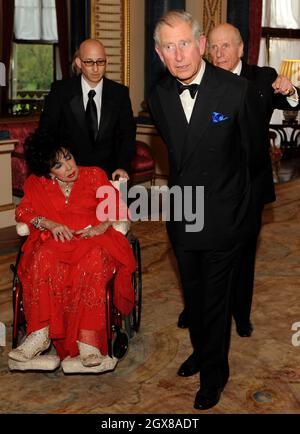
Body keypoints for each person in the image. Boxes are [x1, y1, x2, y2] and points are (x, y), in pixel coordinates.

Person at [148, 10, 270, 410]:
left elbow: (253, 161)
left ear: (201, 45)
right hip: (184, 213)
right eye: (169, 47)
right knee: (195, 298)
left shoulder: (236, 91)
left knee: (217, 301)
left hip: (224, 216)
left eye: (185, 43)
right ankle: (201, 352)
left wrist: (244, 218)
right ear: (159, 52)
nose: (179, 55)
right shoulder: (159, 95)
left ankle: (215, 374)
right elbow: (179, 158)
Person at [178, 23, 300, 334]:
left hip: (248, 186)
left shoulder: (262, 78)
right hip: (204, 186)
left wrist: (290, 90)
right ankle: (196, 307)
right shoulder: (197, 77)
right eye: (214, 47)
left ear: (241, 48)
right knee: (199, 251)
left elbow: (291, 101)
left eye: (226, 46)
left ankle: (240, 314)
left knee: (244, 254)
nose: (218, 53)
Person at [8, 130, 136, 372]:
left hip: (92, 239)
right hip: (57, 241)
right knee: (42, 256)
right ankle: (39, 333)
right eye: (58, 164)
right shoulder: (37, 184)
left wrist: (101, 226)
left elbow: (117, 208)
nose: (68, 166)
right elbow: (23, 212)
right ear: (48, 171)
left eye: (68, 157)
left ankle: (88, 340)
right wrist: (49, 223)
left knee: (93, 259)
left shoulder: (94, 175)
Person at [39, 38, 136, 180]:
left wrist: (123, 166)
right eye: (89, 62)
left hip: (109, 176)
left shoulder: (119, 93)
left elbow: (127, 135)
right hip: (70, 176)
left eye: (100, 62)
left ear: (107, 61)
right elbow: (46, 132)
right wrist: (53, 168)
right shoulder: (61, 91)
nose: (96, 68)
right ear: (79, 63)